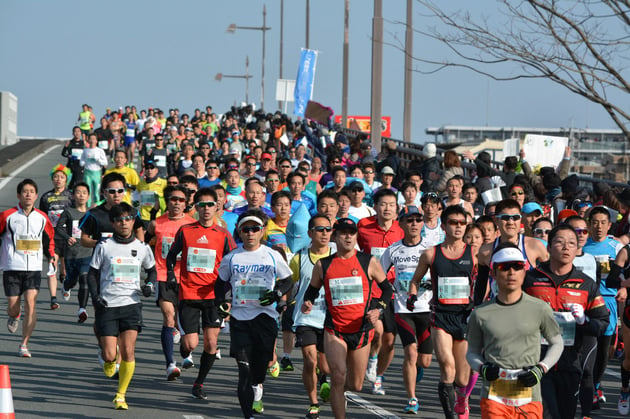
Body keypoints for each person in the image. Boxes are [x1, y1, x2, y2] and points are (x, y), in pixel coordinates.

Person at [301, 217, 393, 419]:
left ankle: (337, 391)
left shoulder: (368, 262)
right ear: (335, 236)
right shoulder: (323, 265)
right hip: (335, 329)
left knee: (356, 385)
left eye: (352, 233)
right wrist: (307, 302)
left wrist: (379, 310)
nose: (348, 237)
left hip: (361, 330)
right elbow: (311, 292)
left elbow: (387, 289)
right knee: (338, 375)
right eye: (343, 233)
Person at [467, 243, 563, 418]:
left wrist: (541, 368)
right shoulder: (480, 313)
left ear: (524, 271)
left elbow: (557, 342)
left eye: (517, 266)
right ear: (493, 273)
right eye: (504, 267)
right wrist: (482, 369)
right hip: (494, 397)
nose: (511, 272)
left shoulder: (539, 308)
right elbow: (472, 352)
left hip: (529, 396)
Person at [523, 224, 609, 419]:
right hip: (536, 360)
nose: (566, 247)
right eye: (560, 242)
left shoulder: (586, 284)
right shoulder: (530, 279)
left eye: (571, 243)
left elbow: (602, 321)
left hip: (570, 361)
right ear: (549, 247)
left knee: (565, 414)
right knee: (546, 413)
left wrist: (584, 321)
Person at [216, 209, 294, 418]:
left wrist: (276, 294)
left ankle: (258, 382)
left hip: (265, 318)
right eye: (246, 229)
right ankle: (247, 415)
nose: (250, 233)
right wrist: (222, 303)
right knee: (244, 371)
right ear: (239, 232)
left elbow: (288, 280)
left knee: (259, 369)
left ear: (262, 232)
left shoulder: (272, 255)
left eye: (255, 229)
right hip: (240, 320)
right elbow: (221, 283)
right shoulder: (231, 257)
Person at [166, 187, 236, 399]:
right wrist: (171, 275)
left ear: (217, 206)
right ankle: (185, 352)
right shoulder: (186, 231)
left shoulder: (223, 235)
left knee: (211, 344)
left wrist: (229, 297)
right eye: (201, 205)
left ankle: (199, 383)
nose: (206, 209)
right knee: (190, 344)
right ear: (195, 207)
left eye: (210, 204)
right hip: (188, 294)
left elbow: (233, 264)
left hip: (213, 297)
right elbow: (171, 256)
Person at [408, 205, 476, 418]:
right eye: (453, 223)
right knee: (447, 366)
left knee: (463, 378)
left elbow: (485, 281)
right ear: (444, 226)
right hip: (441, 316)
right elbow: (415, 280)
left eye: (462, 223)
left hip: (465, 317)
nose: (458, 227)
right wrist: (412, 296)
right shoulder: (431, 253)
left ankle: (462, 399)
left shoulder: (473, 253)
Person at [87, 203, 156, 410]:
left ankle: (120, 395)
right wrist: (95, 297)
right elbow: (92, 273)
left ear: (134, 221)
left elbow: (152, 271)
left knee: (128, 350)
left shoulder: (142, 248)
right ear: (113, 223)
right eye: (119, 220)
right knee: (110, 355)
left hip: (131, 304)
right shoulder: (104, 246)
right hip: (107, 304)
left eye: (127, 219)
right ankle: (108, 358)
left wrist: (149, 286)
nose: (123, 223)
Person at [381, 206, 433, 414]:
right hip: (403, 309)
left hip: (427, 308)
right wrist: (384, 295)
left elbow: (440, 274)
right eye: (409, 220)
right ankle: (412, 398)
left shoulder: (430, 248)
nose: (413, 224)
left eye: (417, 220)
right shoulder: (393, 249)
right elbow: (379, 274)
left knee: (425, 361)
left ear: (422, 223)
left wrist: (431, 284)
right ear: (401, 223)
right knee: (410, 352)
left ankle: (418, 367)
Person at [1, 179, 57, 358]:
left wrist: (52, 257)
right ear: (19, 195)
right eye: (24, 191)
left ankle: (24, 344)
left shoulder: (42, 217)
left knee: (31, 305)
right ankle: (14, 316)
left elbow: (49, 239)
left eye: (31, 191)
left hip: (33, 267)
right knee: (13, 307)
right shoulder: (7, 216)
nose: (28, 194)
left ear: (36, 195)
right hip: (12, 266)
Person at [356, 189, 404, 392]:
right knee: (377, 330)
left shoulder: (402, 231)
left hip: (395, 290)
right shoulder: (363, 227)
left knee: (390, 341)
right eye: (383, 204)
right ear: (374, 206)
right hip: (371, 288)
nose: (387, 208)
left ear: (397, 209)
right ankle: (371, 359)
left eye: (391, 205)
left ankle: (379, 375)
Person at [147, 185, 196, 380]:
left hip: (186, 278)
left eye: (181, 200)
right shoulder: (157, 224)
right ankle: (170, 364)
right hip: (163, 276)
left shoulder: (192, 224)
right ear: (167, 202)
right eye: (173, 199)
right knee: (168, 316)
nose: (177, 203)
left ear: (186, 204)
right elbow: (145, 243)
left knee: (182, 323)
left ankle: (186, 350)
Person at [290, 215, 334, 419]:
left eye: (328, 229)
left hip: (331, 318)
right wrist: (281, 303)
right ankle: (313, 402)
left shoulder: (338, 254)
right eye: (319, 229)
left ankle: (323, 377)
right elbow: (288, 284)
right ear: (310, 233)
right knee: (309, 360)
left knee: (324, 365)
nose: (324, 233)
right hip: (305, 318)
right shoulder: (299, 257)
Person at [582, 206, 624, 407]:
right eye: (595, 222)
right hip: (585, 302)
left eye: (603, 222)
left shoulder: (616, 247)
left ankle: (596, 383)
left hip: (608, 300)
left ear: (609, 225)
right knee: (587, 345)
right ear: (589, 224)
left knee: (605, 348)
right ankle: (588, 386)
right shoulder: (582, 246)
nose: (598, 226)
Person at [474, 199, 549, 305]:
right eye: (505, 218)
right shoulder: (486, 251)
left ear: (520, 220)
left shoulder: (535, 246)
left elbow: (548, 280)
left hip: (527, 309)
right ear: (496, 220)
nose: (510, 222)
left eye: (515, 218)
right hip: (498, 309)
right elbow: (480, 286)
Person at [39, 164, 74, 309]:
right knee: (52, 266)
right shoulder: (46, 197)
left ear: (66, 179)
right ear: (52, 179)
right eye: (56, 177)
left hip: (67, 236)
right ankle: (53, 298)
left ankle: (65, 279)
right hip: (51, 237)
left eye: (61, 177)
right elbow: (41, 217)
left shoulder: (71, 196)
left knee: (65, 268)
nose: (58, 180)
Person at [56, 183, 92, 322]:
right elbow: (59, 228)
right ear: (73, 195)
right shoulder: (69, 212)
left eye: (84, 192)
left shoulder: (91, 213)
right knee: (72, 280)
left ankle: (82, 309)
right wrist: (67, 237)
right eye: (78, 192)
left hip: (87, 251)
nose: (81, 195)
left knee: (84, 278)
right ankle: (66, 285)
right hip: (71, 252)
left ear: (88, 196)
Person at [80, 132, 109, 206]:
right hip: (87, 173)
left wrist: (98, 160)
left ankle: (97, 207)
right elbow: (81, 162)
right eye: (90, 139)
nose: (92, 141)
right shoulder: (85, 150)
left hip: (96, 173)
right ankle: (87, 207)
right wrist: (85, 161)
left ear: (96, 140)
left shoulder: (100, 150)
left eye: (94, 139)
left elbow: (105, 163)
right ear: (88, 140)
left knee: (96, 192)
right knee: (87, 191)